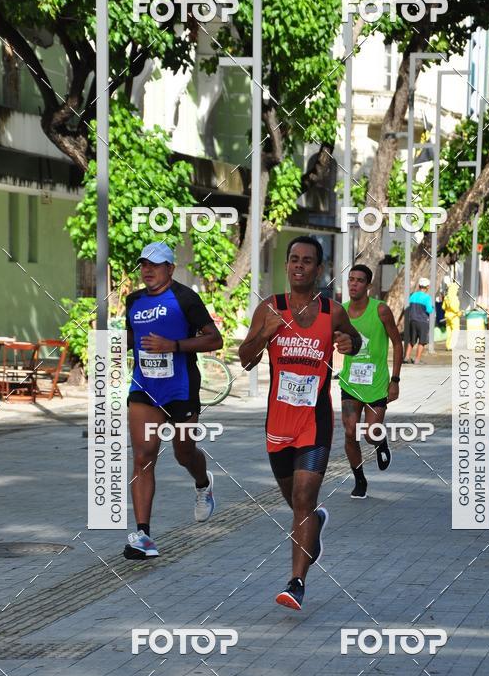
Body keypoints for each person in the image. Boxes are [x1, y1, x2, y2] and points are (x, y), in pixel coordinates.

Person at [238, 235, 361, 611]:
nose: (299, 265)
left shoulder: (332, 311)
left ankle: (296, 583)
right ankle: (313, 527)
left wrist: (348, 343)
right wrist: (265, 333)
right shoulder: (269, 308)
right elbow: (245, 359)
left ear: (319, 269)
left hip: (315, 421)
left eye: (307, 260)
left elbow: (354, 339)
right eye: (294, 259)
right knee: (297, 504)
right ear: (287, 264)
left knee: (304, 499)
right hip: (278, 422)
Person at [124, 241, 223, 559]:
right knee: (143, 456)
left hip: (181, 388)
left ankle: (203, 483)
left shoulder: (186, 298)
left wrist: (174, 345)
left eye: (155, 264)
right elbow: (131, 337)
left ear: (170, 268)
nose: (147, 270)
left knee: (184, 452)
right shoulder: (134, 300)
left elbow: (214, 339)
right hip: (145, 387)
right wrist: (110, 341)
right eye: (144, 264)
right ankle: (143, 536)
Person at [338, 264, 403, 498]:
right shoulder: (341, 312)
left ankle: (380, 441)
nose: (353, 284)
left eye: (359, 280)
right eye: (351, 279)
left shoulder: (381, 310)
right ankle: (359, 480)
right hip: (350, 383)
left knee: (369, 433)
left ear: (368, 285)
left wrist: (395, 380)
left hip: (376, 383)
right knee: (350, 432)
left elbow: (397, 343)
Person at [404, 277, 434, 363]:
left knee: (412, 340)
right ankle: (417, 360)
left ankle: (406, 357)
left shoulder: (413, 295)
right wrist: (432, 307)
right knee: (422, 341)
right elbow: (429, 310)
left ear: (419, 286)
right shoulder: (427, 297)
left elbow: (409, 306)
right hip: (423, 321)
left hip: (413, 320)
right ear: (427, 287)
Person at [443, 281, 463, 351]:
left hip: (447, 316)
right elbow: (454, 307)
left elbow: (443, 307)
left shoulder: (446, 297)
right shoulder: (454, 298)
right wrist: (459, 312)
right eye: (457, 289)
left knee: (449, 331)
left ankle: (448, 346)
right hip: (454, 317)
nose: (457, 290)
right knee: (455, 331)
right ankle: (452, 346)